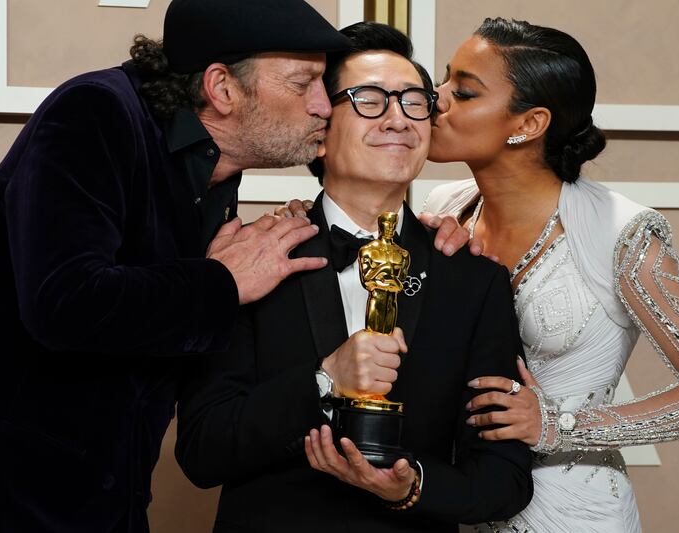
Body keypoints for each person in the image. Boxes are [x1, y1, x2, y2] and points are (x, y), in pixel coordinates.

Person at [0, 1, 357, 531]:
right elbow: (63, 302)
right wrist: (223, 281)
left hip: (107, 496)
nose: (324, 105)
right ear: (221, 87)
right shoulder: (95, 112)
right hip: (2, 497)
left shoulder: (212, 165)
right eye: (303, 84)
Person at [175, 22, 533, 533]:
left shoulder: (473, 278)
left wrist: (409, 488)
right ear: (318, 131)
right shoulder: (251, 260)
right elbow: (201, 451)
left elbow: (505, 479)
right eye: (369, 99)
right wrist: (323, 381)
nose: (398, 120)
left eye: (414, 101)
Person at [424, 17, 679, 533]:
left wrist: (560, 425)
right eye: (443, 80)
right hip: (464, 500)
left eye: (463, 91)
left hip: (575, 512)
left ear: (529, 123)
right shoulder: (445, 209)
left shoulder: (621, 235)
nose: (436, 99)